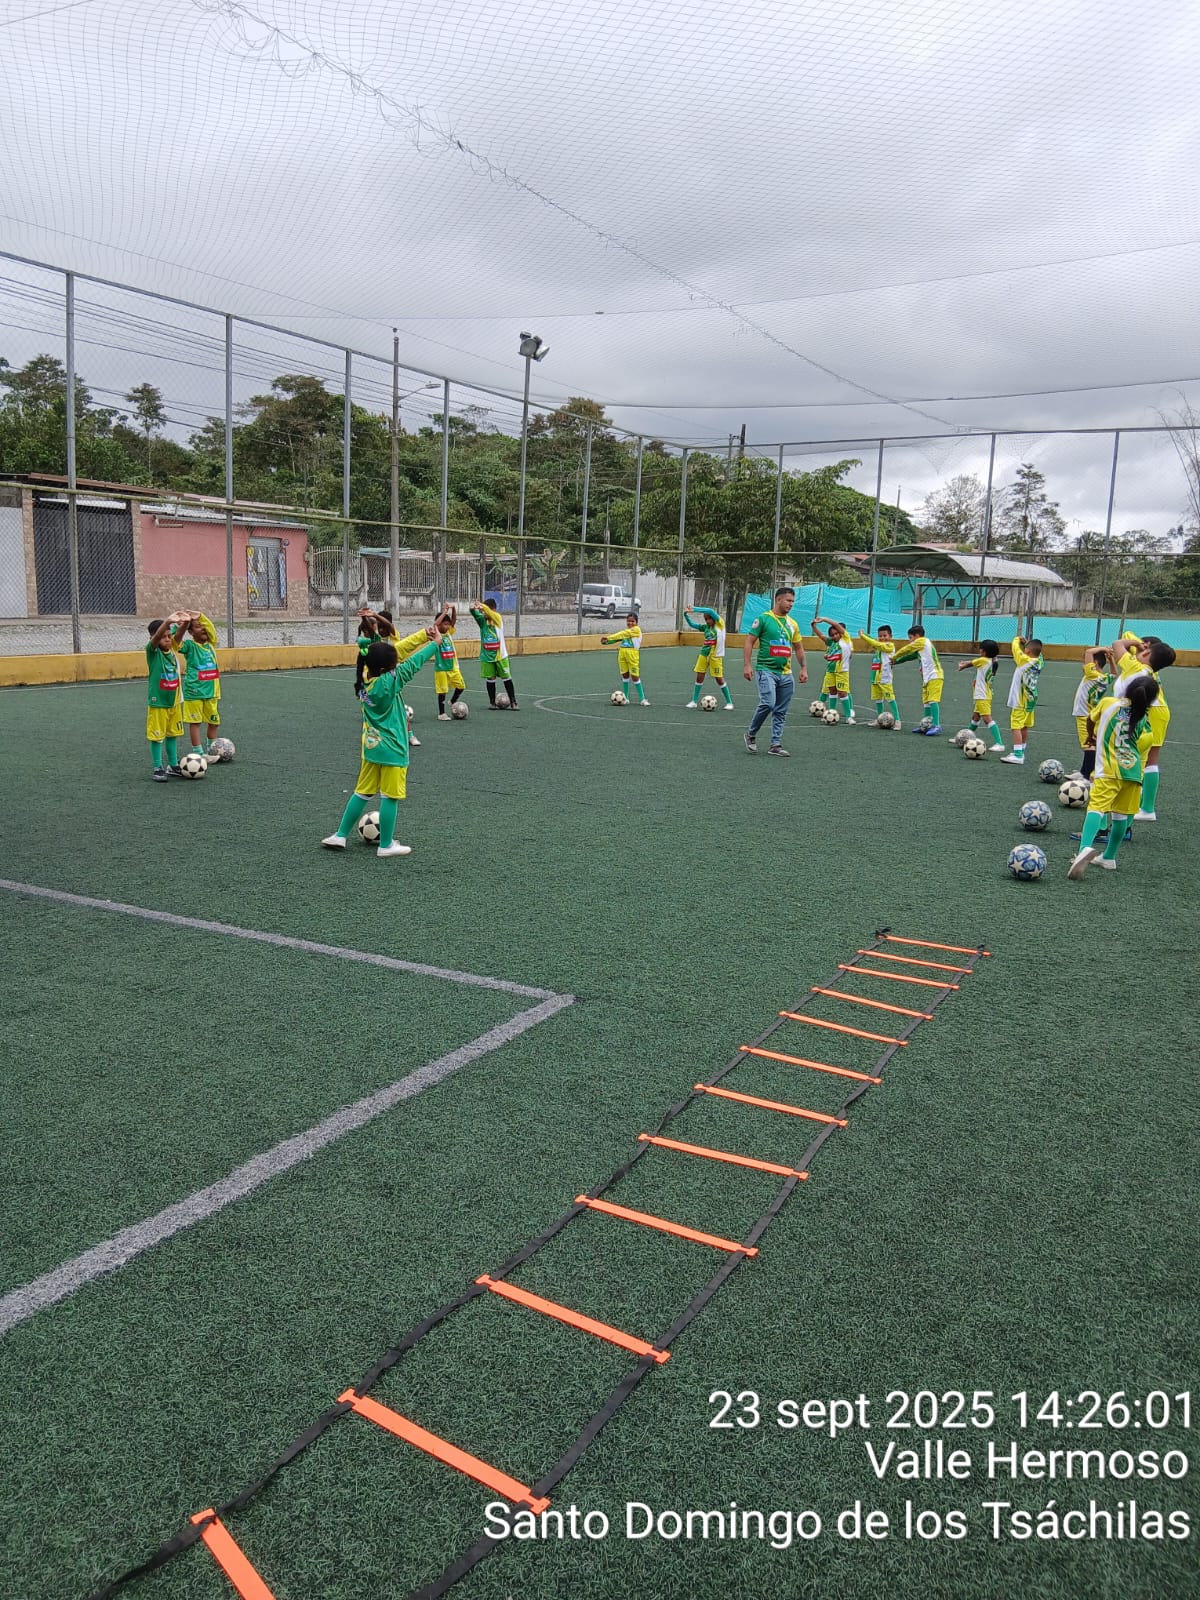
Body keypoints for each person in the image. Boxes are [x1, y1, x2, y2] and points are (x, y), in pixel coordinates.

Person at [322, 629, 438, 858]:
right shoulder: (389, 683)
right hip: (393, 749)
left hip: (372, 747)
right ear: (386, 669)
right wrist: (435, 644)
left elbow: (397, 653)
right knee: (389, 796)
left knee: (361, 792)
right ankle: (386, 845)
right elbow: (414, 663)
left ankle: (340, 835)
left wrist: (424, 635)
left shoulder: (364, 680)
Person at [1068, 674, 1159, 879]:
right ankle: (1109, 857)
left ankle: (1082, 850)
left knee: (1096, 808)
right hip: (1133, 773)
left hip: (1108, 770)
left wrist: (1091, 736)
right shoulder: (1143, 719)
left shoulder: (1108, 703)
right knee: (1120, 816)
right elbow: (1140, 744)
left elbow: (1090, 719)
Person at [1109, 632, 1176, 821]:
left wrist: (1138, 644)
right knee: (1146, 760)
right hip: (1158, 711)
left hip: (1153, 712)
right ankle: (1144, 807)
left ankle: (1144, 808)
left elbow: (1118, 643)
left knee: (1143, 759)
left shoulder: (1135, 665)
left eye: (1144, 648)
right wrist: (1142, 645)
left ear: (1147, 653)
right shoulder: (1147, 668)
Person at [742, 586, 808, 756]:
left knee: (781, 710)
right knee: (768, 703)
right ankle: (751, 734)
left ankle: (775, 745)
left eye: (793, 601)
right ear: (778, 600)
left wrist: (803, 668)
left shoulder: (793, 624)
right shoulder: (763, 619)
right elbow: (749, 641)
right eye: (788, 600)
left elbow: (798, 647)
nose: (791, 604)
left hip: (786, 673)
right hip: (766, 670)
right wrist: (747, 665)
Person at [145, 611, 192, 781]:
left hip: (175, 702)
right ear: (154, 637)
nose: (167, 639)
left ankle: (173, 765)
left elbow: (179, 634)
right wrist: (167, 622)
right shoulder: (153, 652)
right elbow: (157, 638)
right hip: (158, 702)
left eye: (168, 636)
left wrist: (186, 622)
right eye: (163, 637)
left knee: (173, 734)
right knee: (157, 736)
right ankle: (158, 767)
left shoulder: (172, 649)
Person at [178, 612, 222, 756]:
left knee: (214, 722)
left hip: (212, 692)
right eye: (198, 627)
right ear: (190, 632)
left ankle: (212, 750)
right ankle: (199, 753)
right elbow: (176, 642)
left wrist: (201, 616)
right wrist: (182, 626)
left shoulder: (211, 644)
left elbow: (211, 629)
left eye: (204, 626)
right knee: (195, 722)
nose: (203, 628)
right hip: (194, 691)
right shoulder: (190, 646)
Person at [892, 625, 945, 735]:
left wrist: (894, 656)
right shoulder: (921, 647)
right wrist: (896, 662)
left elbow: (907, 649)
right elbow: (910, 656)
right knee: (926, 702)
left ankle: (936, 725)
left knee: (933, 700)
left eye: (910, 638)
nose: (910, 641)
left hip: (935, 675)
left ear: (917, 636)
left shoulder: (922, 641)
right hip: (927, 678)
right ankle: (926, 725)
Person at [1070, 646, 1113, 780]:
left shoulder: (1092, 674)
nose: (1083, 665)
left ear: (1094, 663)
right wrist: (1111, 659)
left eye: (1085, 661)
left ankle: (1086, 774)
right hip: (1091, 714)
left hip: (1084, 714)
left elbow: (1089, 652)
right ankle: (1086, 770)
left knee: (1088, 745)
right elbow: (1114, 674)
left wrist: (1104, 649)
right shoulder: (1104, 678)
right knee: (1092, 743)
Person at [999, 635, 1044, 765]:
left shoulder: (1024, 660)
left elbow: (1015, 649)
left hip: (1021, 699)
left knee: (1016, 726)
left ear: (1028, 651)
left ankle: (1018, 755)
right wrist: (1027, 643)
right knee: (1024, 726)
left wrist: (1017, 639)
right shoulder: (1039, 662)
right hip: (1031, 699)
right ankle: (1021, 751)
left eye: (1025, 649)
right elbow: (1039, 653)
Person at [470, 597, 519, 709]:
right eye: (482, 612)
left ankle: (513, 702)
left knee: (506, 677)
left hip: (500, 655)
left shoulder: (497, 618)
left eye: (484, 611)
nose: (483, 613)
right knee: (490, 679)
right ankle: (492, 703)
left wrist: (482, 606)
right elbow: (474, 613)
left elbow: (488, 612)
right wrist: (473, 608)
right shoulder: (483, 621)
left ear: (493, 609)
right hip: (487, 656)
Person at [955, 639, 1004, 751]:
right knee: (976, 717)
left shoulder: (983, 660)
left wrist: (962, 666)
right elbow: (975, 661)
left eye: (980, 649)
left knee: (987, 719)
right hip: (985, 694)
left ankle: (999, 743)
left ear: (984, 652)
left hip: (982, 695)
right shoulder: (992, 661)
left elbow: (971, 663)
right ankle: (964, 738)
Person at [683, 605, 732, 708]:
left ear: (714, 618)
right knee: (699, 676)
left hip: (715, 656)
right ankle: (694, 701)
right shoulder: (706, 627)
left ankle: (729, 703)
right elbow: (692, 624)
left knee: (719, 678)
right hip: (704, 654)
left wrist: (694, 609)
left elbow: (710, 610)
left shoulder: (720, 624)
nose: (707, 621)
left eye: (709, 619)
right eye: (705, 619)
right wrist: (686, 615)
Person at [812, 615, 855, 724]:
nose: (835, 636)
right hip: (830, 671)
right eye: (832, 635)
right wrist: (814, 627)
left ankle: (849, 716)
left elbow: (835, 624)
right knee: (832, 691)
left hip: (842, 672)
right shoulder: (832, 643)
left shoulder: (845, 639)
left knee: (843, 693)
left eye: (836, 633)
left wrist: (824, 619)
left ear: (840, 632)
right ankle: (831, 713)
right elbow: (821, 636)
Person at [600, 613, 649, 704]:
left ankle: (642, 699)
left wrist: (608, 637)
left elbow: (622, 634)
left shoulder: (636, 630)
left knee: (635, 676)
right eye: (628, 621)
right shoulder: (626, 631)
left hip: (632, 654)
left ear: (636, 622)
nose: (630, 623)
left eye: (632, 621)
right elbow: (618, 639)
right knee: (625, 675)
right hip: (622, 653)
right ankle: (626, 698)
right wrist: (607, 642)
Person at [858, 625, 899, 727]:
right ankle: (879, 719)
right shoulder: (878, 646)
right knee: (878, 699)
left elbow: (875, 643)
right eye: (880, 636)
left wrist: (863, 636)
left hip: (885, 678)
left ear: (890, 636)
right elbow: (874, 641)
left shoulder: (889, 646)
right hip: (875, 677)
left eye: (885, 635)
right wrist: (865, 635)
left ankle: (898, 721)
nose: (882, 638)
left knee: (890, 699)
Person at [432, 605, 467, 719]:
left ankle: (452, 701)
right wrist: (444, 612)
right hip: (441, 668)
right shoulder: (435, 634)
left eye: (448, 624)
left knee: (461, 686)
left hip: (452, 666)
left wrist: (453, 609)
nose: (447, 626)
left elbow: (453, 621)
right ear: (439, 625)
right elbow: (435, 624)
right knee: (442, 691)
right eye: (444, 624)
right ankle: (441, 713)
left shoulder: (448, 633)